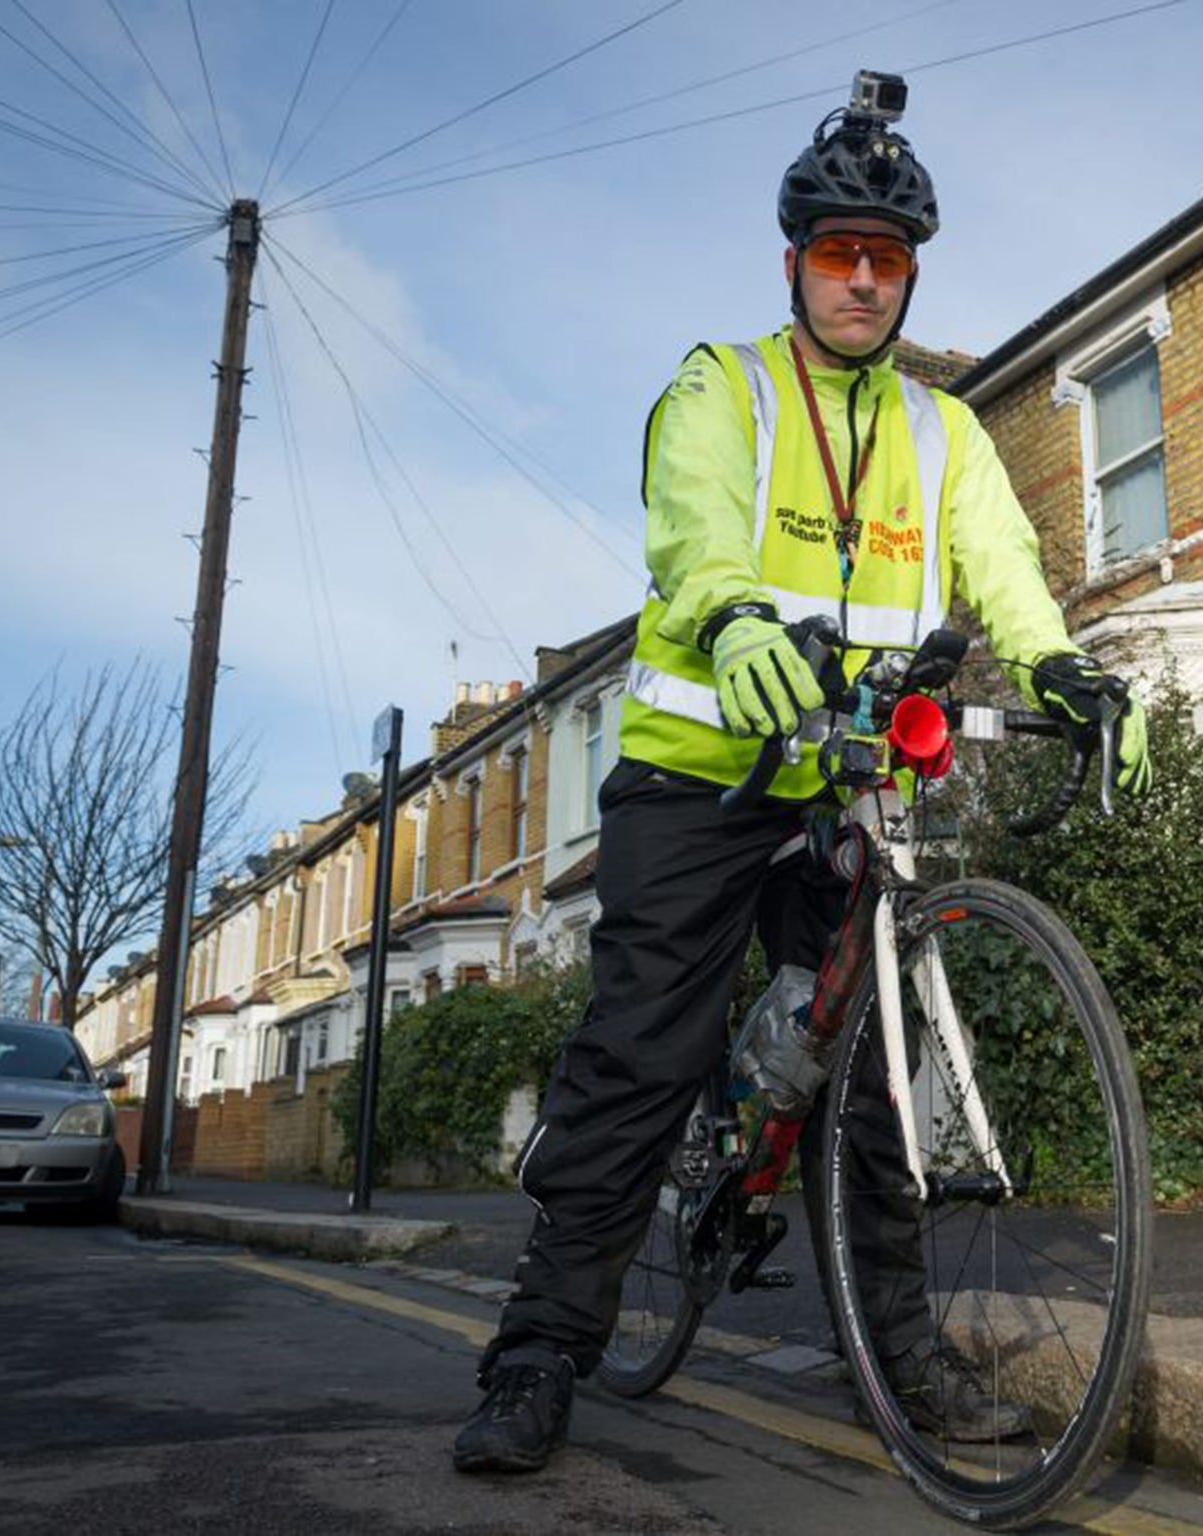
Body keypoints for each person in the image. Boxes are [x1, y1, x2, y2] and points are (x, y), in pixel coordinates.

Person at [454, 71, 1152, 1475]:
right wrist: (736, 620)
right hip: (699, 772)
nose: (861, 279)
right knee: (645, 1052)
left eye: (885, 259)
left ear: (906, 277)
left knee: (873, 1083)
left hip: (844, 774)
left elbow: (1005, 569)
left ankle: (895, 1358)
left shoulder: (944, 431)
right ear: (795, 261)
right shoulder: (725, 386)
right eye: (837, 252)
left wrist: (1060, 665)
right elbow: (695, 537)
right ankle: (537, 1355)